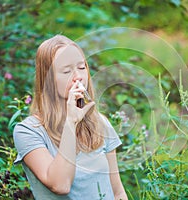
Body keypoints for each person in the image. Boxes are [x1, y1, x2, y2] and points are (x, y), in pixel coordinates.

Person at [13, 34, 128, 200]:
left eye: (82, 67)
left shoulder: (100, 123)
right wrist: (71, 122)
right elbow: (60, 185)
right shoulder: (28, 131)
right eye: (66, 71)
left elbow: (118, 193)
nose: (78, 77)